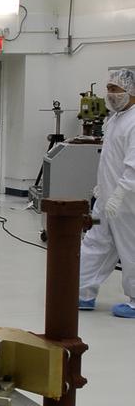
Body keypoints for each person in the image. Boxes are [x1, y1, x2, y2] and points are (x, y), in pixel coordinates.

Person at [79, 69, 135, 317]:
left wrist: (119, 195)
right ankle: (81, 293)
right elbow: (110, 160)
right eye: (109, 89)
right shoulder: (114, 120)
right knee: (94, 243)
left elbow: (133, 166)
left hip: (127, 202)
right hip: (107, 200)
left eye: (117, 89)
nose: (111, 95)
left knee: (130, 248)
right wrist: (102, 189)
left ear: (131, 91)